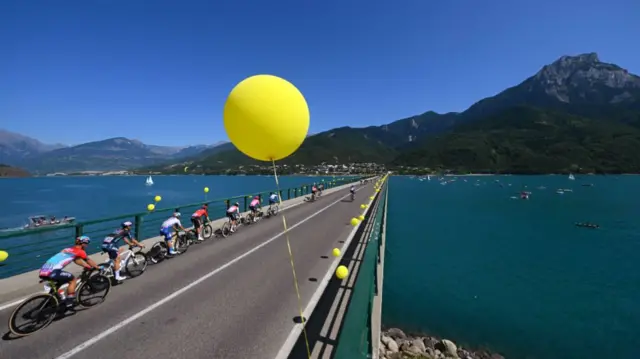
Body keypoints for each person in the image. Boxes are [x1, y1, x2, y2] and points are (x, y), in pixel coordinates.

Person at [39, 236, 99, 308]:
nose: (87, 245)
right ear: (83, 244)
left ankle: (56, 297)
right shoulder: (81, 251)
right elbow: (89, 260)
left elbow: (76, 259)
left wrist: (86, 266)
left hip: (43, 270)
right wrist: (97, 267)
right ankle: (69, 301)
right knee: (73, 279)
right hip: (53, 272)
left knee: (60, 282)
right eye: (87, 243)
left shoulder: (67, 249)